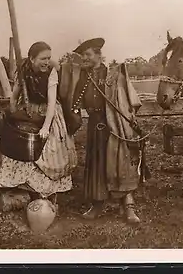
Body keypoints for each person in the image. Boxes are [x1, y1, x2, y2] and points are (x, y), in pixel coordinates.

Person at [58, 38, 145, 224]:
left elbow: (127, 100)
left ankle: (128, 205)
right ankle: (97, 204)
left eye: (88, 54)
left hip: (115, 125)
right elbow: (73, 99)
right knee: (97, 163)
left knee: (120, 162)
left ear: (98, 55)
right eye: (83, 55)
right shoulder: (82, 76)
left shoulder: (114, 75)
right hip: (95, 126)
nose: (85, 58)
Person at [0, 41, 77, 204]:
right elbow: (14, 95)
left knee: (48, 151)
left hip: (49, 113)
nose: (46, 62)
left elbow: (52, 102)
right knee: (19, 146)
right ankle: (23, 188)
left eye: (48, 58)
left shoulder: (51, 72)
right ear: (32, 59)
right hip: (30, 110)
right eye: (42, 59)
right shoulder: (23, 70)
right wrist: (14, 112)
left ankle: (47, 192)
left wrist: (46, 126)